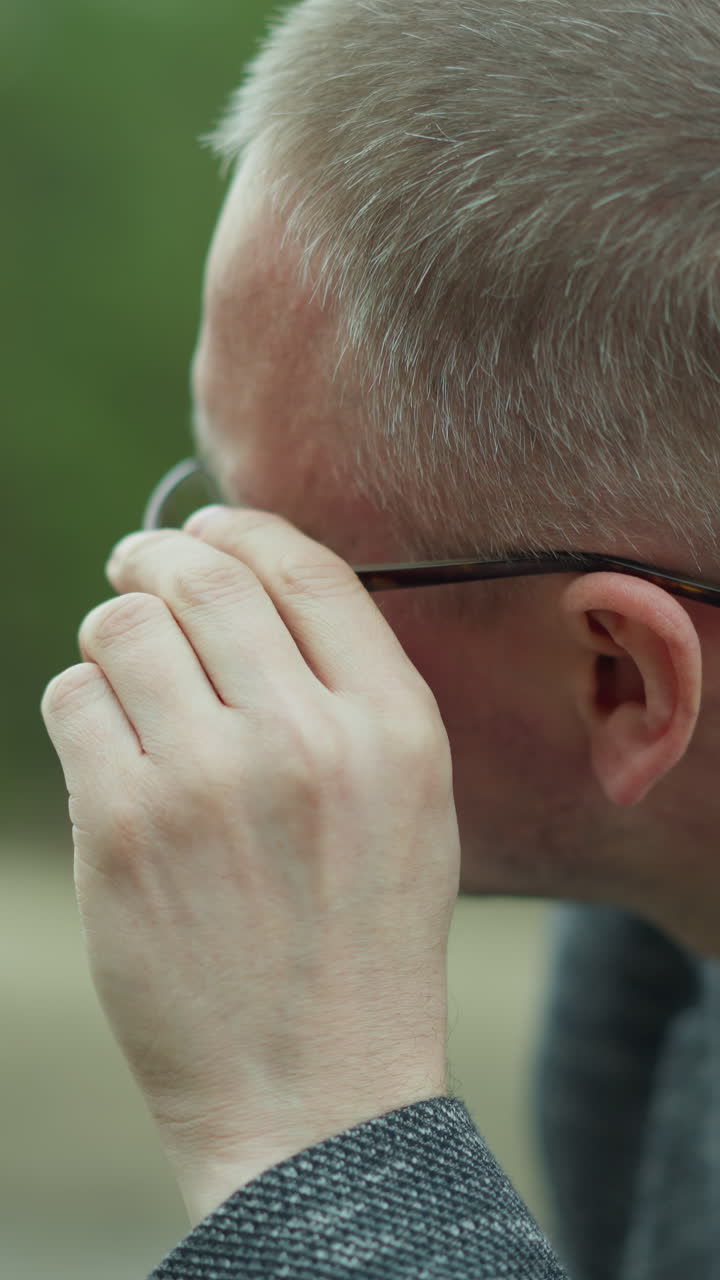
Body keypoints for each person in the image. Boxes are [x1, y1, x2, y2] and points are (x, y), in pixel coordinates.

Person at [40, 0, 720, 1276]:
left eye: (288, 563)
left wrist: (312, 1132)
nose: (167, 591)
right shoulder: (669, 938)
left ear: (622, 679)